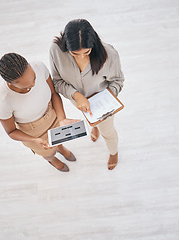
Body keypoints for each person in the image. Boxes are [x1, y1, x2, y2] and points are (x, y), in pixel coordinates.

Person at [49, 19, 124, 170]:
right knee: (91, 119)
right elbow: (57, 81)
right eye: (75, 53)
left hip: (103, 105)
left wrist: (106, 100)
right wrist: (76, 95)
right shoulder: (55, 51)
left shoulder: (109, 54)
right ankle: (94, 125)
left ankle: (113, 152)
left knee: (108, 132)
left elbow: (118, 81)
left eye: (86, 52)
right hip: (78, 102)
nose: (81, 57)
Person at [0, 53, 78, 172]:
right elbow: (11, 131)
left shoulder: (38, 67)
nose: (33, 85)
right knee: (48, 152)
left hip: (52, 114)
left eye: (34, 78)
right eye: (26, 87)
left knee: (58, 138)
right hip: (33, 132)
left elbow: (54, 94)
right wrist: (35, 140)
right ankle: (51, 159)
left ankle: (60, 147)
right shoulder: (3, 100)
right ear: (10, 83)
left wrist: (61, 119)